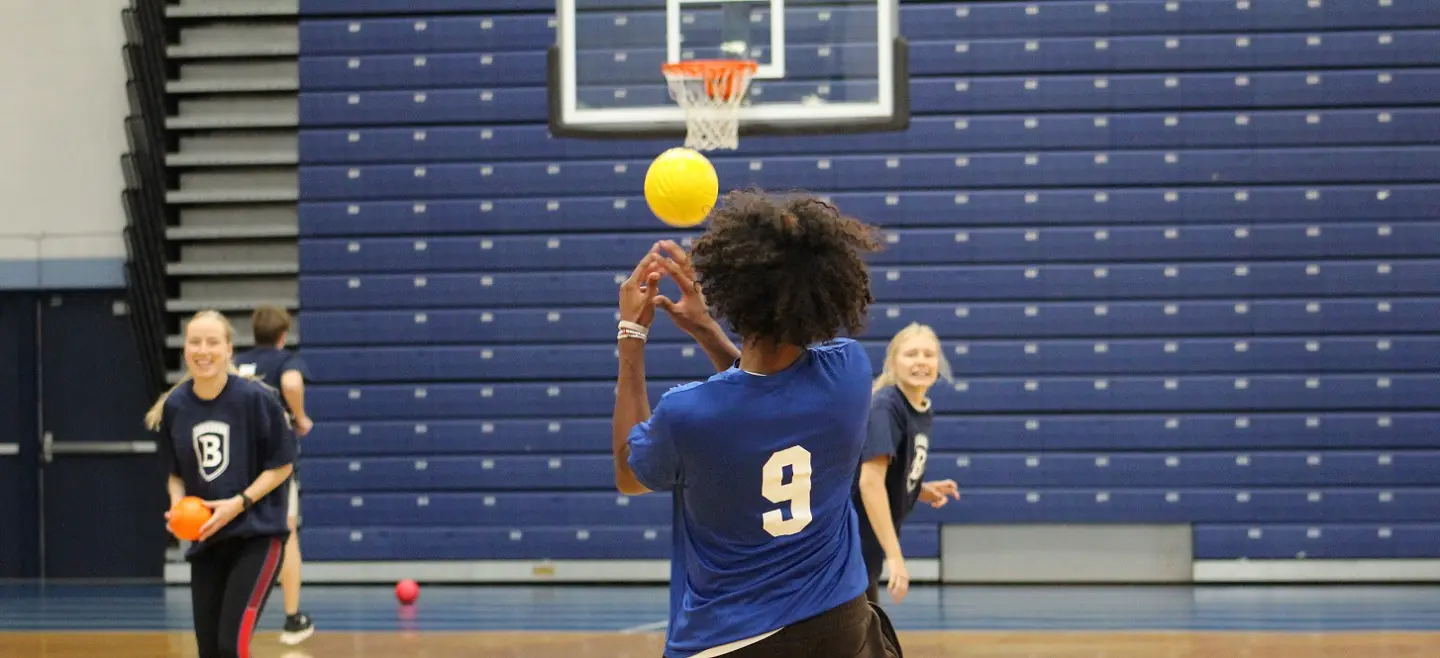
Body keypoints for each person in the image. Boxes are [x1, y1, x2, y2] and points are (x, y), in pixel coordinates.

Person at [612, 190, 904, 658]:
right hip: (842, 622)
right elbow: (772, 391)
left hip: (730, 639)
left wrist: (632, 336)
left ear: (733, 294)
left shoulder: (689, 414)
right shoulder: (849, 373)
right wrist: (707, 330)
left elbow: (630, 474)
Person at [147, 310, 297, 658]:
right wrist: (178, 506)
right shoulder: (176, 406)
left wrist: (239, 503)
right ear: (185, 350)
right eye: (195, 342)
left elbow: (283, 465)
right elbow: (176, 473)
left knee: (232, 647)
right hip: (208, 541)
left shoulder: (256, 399)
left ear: (229, 349)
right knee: (210, 651)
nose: (203, 350)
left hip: (257, 536)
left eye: (213, 342)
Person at [853, 323, 960, 605]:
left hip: (867, 550)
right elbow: (869, 481)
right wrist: (895, 555)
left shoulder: (918, 408)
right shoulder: (886, 407)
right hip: (851, 546)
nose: (921, 361)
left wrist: (917, 487)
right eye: (912, 354)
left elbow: (887, 471)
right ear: (893, 363)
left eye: (929, 354)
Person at [233, 305, 315, 645]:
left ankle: (234, 616)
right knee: (286, 535)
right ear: (282, 335)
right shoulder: (285, 361)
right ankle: (293, 619)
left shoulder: (235, 363)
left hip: (236, 461)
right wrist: (300, 416)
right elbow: (292, 383)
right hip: (272, 461)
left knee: (236, 533)